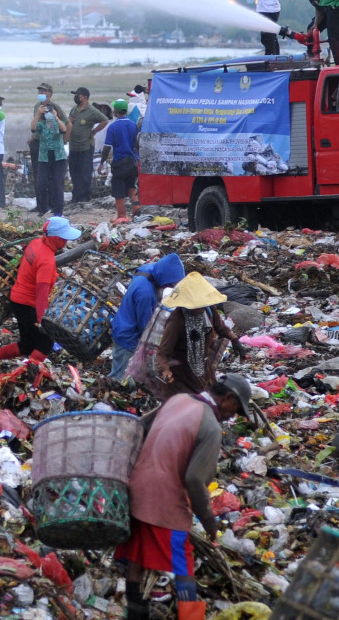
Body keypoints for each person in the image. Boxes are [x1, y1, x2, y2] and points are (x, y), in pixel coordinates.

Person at [115, 373, 256, 620]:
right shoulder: (211, 426)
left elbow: (140, 427)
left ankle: (136, 615)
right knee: (183, 565)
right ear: (228, 398)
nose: (235, 415)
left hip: (136, 490)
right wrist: (209, 521)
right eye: (236, 408)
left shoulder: (178, 400)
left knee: (136, 558)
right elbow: (194, 480)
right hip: (165, 503)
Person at [0, 216, 82, 364]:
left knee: (27, 344)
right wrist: (42, 320)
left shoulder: (36, 243)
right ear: (55, 237)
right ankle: (28, 376)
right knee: (45, 344)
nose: (66, 241)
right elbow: (41, 294)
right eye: (64, 238)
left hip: (17, 300)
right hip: (28, 304)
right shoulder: (47, 261)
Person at [153, 272, 246, 402]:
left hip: (203, 370)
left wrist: (234, 339)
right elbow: (162, 352)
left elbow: (220, 327)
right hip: (180, 376)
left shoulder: (208, 309)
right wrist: (165, 371)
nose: (199, 308)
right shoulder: (177, 321)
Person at [108, 253, 186, 382]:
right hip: (127, 336)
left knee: (124, 373)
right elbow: (145, 326)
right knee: (117, 377)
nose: (168, 287)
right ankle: (105, 398)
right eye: (169, 285)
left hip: (122, 322)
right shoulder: (146, 294)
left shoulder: (146, 271)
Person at [99, 100, 139, 223]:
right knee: (131, 186)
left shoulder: (113, 127)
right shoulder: (133, 125)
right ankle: (136, 209)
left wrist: (101, 163)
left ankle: (121, 216)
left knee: (118, 190)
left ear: (115, 111)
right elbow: (137, 144)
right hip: (132, 162)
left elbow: (107, 148)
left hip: (119, 163)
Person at [67, 87, 109, 204]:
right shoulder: (74, 110)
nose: (76, 97)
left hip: (86, 146)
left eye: (78, 95)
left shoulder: (91, 110)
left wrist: (94, 132)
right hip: (73, 146)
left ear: (84, 97)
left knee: (85, 172)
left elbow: (104, 120)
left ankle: (85, 197)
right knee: (74, 172)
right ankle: (76, 197)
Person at [27, 83, 66, 208]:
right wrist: (33, 137)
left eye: (44, 91)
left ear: (50, 93)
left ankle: (54, 205)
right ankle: (41, 205)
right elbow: (34, 127)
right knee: (39, 177)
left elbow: (67, 125)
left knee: (54, 179)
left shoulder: (54, 107)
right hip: (40, 145)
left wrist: (63, 140)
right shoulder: (37, 107)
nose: (41, 94)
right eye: (40, 92)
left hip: (56, 148)